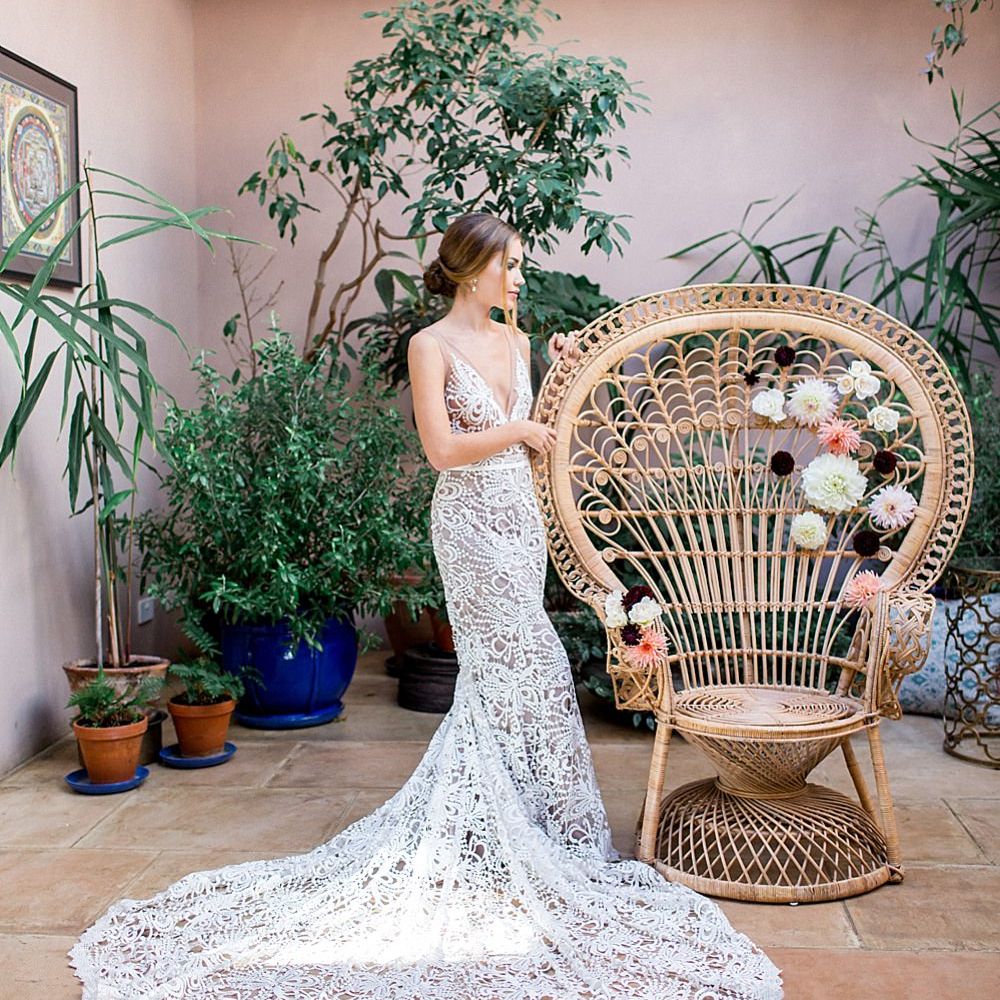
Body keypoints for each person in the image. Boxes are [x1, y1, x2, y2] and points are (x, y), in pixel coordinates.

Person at [70, 212, 782, 999]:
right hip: (471, 526)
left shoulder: (516, 338)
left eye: (520, 264)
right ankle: (509, 829)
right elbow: (441, 450)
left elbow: (544, 433)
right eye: (510, 264)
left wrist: (561, 369)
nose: (519, 277)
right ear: (472, 267)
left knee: (519, 672)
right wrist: (516, 427)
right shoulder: (430, 345)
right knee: (528, 662)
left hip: (520, 520)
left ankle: (522, 829)